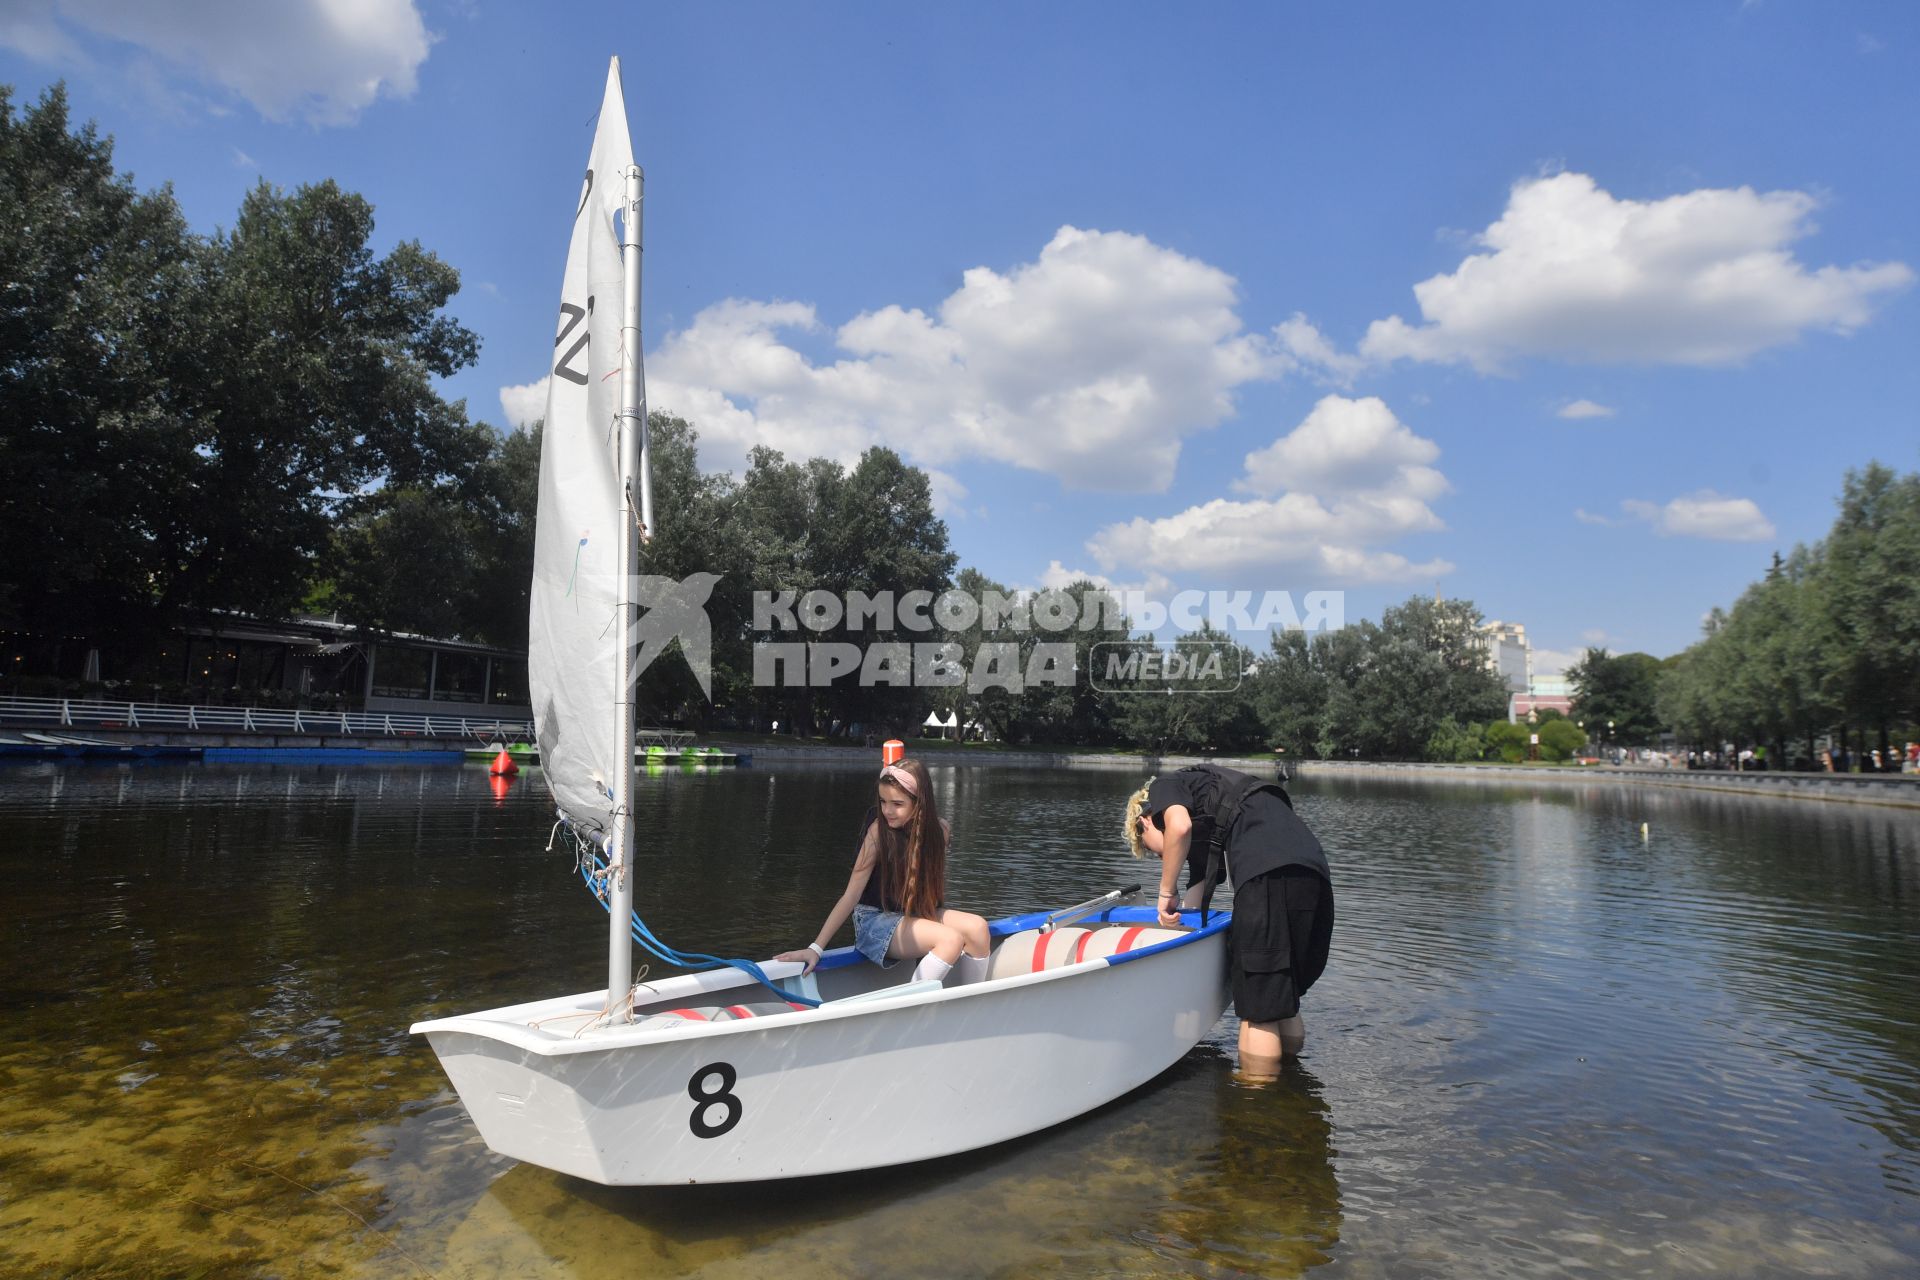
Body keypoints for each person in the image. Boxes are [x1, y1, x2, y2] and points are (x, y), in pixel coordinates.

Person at [1125, 764, 1333, 1073]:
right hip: (1313, 869)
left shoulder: (1165, 786)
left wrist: (1166, 892)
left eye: (1153, 852)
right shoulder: (1214, 803)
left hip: (1266, 872)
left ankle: (1255, 1106)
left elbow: (1178, 828)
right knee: (1281, 996)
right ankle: (1291, 1085)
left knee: (1258, 1010)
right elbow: (1192, 911)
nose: (1162, 857)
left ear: (1144, 822)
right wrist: (1175, 923)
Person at [776, 758, 991, 986]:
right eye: (883, 801)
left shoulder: (940, 832)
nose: (887, 810)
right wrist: (816, 948)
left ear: (920, 803)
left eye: (897, 804)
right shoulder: (878, 833)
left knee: (978, 928)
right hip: (874, 921)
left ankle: (972, 1001)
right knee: (950, 940)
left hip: (912, 914)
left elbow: (930, 892)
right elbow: (851, 895)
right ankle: (909, 1012)